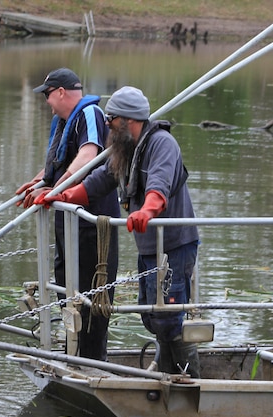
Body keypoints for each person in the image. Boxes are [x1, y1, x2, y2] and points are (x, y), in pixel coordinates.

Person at [36, 86, 200, 377]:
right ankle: (167, 372)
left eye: (111, 120)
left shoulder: (162, 144)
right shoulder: (126, 149)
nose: (108, 127)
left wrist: (147, 211)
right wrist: (61, 195)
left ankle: (190, 381)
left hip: (173, 246)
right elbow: (100, 180)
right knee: (151, 315)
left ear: (128, 120)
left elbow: (158, 187)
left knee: (168, 317)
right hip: (149, 246)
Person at [15, 68, 120, 361]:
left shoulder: (89, 114)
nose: (47, 101)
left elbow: (87, 156)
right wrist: (39, 183)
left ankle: (92, 359)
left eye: (48, 95)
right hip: (67, 220)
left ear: (61, 92)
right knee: (65, 284)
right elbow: (59, 164)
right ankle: (73, 349)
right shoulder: (63, 121)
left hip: (92, 222)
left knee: (92, 293)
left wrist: (53, 191)